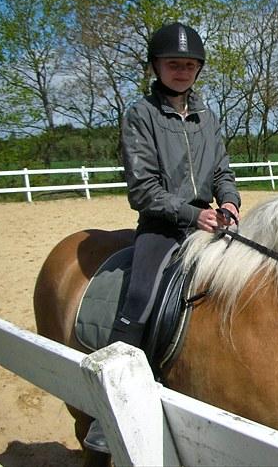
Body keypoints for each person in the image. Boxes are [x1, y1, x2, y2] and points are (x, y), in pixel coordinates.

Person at [84, 22, 241, 454]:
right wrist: (192, 214)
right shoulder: (141, 115)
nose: (182, 71)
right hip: (161, 227)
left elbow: (222, 171)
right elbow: (143, 189)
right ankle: (110, 405)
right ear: (156, 66)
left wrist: (228, 202)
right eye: (174, 64)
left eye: (190, 65)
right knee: (140, 298)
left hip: (212, 221)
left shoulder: (209, 116)